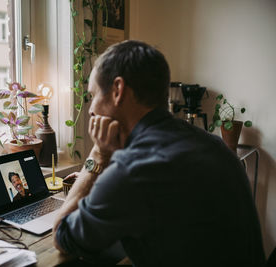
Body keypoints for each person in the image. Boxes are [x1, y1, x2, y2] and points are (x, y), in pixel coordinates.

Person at [53, 40, 265, 266]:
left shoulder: (134, 169)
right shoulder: (216, 146)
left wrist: (98, 156)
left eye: (92, 95)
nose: (92, 109)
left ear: (117, 90)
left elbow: (63, 235)